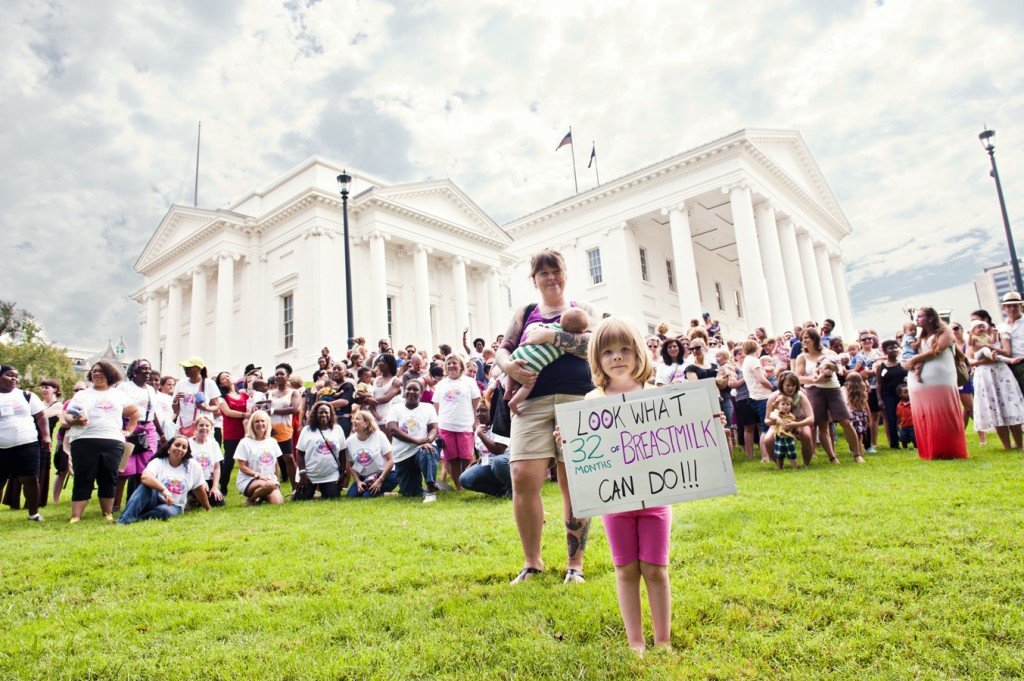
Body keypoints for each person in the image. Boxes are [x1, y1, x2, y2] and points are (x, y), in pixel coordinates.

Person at [497, 249, 598, 586]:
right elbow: (503, 348)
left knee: (575, 481)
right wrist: (509, 366)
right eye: (543, 273)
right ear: (534, 279)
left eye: (556, 271)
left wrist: (553, 336)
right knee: (522, 475)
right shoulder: (525, 312)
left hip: (577, 398)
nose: (551, 277)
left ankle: (575, 564)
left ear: (565, 273)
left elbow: (594, 347)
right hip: (531, 403)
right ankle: (532, 562)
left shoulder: (585, 310)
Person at [580, 316, 670, 652]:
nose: (616, 357)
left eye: (624, 349)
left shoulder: (658, 394)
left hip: (656, 498)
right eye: (607, 352)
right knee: (626, 569)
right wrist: (570, 439)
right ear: (598, 360)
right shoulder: (592, 402)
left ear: (638, 353)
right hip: (614, 501)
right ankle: (636, 642)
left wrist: (706, 417)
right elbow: (588, 448)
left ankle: (663, 640)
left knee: (656, 569)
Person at [62, 361, 141, 522]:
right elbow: (68, 416)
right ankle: (76, 516)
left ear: (110, 374)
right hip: (84, 440)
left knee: (108, 477)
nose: (96, 373)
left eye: (101, 371)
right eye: (94, 371)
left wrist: (129, 430)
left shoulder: (118, 395)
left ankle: (107, 514)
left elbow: (135, 411)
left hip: (112, 441)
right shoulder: (82, 395)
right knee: (83, 477)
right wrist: (76, 421)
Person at [903, 306, 968, 460]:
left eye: (920, 316)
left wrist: (913, 359)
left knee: (944, 412)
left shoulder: (946, 331)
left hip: (941, 378)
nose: (916, 319)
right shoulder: (920, 336)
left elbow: (938, 350)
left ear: (931, 318)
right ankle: (931, 450)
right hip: (920, 380)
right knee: (925, 413)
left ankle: (950, 449)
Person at [794, 329, 863, 464]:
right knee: (822, 424)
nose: (804, 341)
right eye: (802, 339)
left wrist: (832, 366)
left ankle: (857, 454)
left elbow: (841, 371)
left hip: (833, 389)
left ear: (815, 338)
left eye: (807, 337)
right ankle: (832, 457)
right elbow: (798, 377)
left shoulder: (829, 353)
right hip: (814, 391)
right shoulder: (801, 357)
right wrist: (814, 380)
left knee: (845, 422)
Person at [505, 307, 590, 414]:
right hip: (533, 366)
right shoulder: (563, 346)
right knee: (528, 384)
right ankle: (513, 402)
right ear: (580, 331)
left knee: (513, 367)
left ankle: (508, 391)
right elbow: (585, 347)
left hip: (519, 353)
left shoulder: (549, 326)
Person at [117, 435, 210, 523]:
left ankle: (137, 518)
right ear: (169, 448)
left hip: (174, 505)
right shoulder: (158, 462)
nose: (180, 449)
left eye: (184, 447)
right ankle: (124, 520)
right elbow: (145, 477)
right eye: (177, 445)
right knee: (145, 486)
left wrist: (208, 508)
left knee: (164, 511)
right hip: (153, 499)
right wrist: (164, 490)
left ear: (187, 451)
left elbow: (199, 489)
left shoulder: (193, 466)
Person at [0, 365, 50, 521]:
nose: (14, 378)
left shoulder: (26, 395)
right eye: (9, 375)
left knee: (30, 479)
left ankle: (33, 513)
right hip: (1, 447)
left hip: (27, 444)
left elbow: (41, 416)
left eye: (16, 375)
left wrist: (46, 436)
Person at [115, 359, 163, 511]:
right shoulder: (124, 387)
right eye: (143, 368)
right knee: (124, 470)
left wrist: (161, 435)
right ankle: (115, 504)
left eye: (149, 368)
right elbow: (117, 408)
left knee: (145, 469)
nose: (147, 371)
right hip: (128, 427)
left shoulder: (151, 390)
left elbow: (153, 414)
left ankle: (136, 502)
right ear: (134, 372)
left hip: (147, 430)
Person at [967, 319, 1024, 449]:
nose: (981, 328)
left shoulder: (994, 336)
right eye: (977, 327)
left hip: (1001, 372)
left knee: (1010, 405)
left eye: (982, 326)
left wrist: (991, 346)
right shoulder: (974, 340)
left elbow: (1006, 351)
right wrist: (985, 360)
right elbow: (969, 360)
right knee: (994, 408)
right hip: (986, 375)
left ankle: (1020, 444)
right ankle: (1007, 446)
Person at [431, 353, 481, 489]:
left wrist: (477, 422)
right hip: (446, 426)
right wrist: (435, 426)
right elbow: (436, 406)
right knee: (452, 458)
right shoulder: (441, 384)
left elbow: (477, 403)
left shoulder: (469, 382)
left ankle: (468, 484)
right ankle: (458, 487)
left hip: (465, 425)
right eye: (449, 363)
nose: (451, 366)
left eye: (454, 363)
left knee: (466, 457)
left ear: (461, 365)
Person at [387, 380, 439, 501]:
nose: (411, 391)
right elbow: (393, 429)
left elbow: (434, 428)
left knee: (427, 451)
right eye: (408, 389)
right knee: (411, 493)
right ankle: (435, 485)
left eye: (415, 389)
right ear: (404, 392)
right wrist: (416, 441)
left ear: (421, 393)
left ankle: (431, 490)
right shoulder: (395, 408)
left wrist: (428, 441)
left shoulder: (428, 407)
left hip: (422, 449)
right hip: (403, 455)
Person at [761, 371, 816, 466]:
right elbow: (766, 420)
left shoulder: (801, 396)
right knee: (767, 439)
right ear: (781, 385)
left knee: (806, 435)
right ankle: (778, 464)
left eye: (793, 385)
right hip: (779, 423)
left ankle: (806, 464)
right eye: (788, 385)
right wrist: (776, 420)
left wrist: (797, 424)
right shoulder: (774, 397)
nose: (791, 388)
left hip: (798, 421)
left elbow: (811, 418)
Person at [295, 402, 347, 500]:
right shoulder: (306, 430)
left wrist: (343, 471)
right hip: (309, 475)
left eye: (326, 412)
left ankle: (319, 492)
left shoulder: (338, 429)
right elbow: (300, 452)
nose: (324, 415)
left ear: (331, 414)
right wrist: (302, 474)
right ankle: (313, 492)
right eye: (320, 412)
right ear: (315, 414)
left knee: (331, 497)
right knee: (300, 499)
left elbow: (342, 452)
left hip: (330, 474)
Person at [459, 400, 512, 498]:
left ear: (492, 411)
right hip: (490, 465)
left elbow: (498, 450)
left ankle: (513, 491)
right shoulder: (480, 428)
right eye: (477, 411)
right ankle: (501, 492)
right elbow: (484, 453)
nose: (479, 414)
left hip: (507, 464)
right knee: (465, 479)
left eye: (484, 411)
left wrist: (481, 435)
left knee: (498, 461)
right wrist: (478, 460)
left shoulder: (501, 426)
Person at [234, 410, 285, 505]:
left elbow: (276, 464)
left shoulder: (272, 441)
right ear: (252, 425)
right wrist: (258, 475)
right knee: (269, 485)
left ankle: (261, 496)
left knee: (278, 502)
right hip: (249, 480)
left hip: (269, 480)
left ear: (267, 423)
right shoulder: (245, 442)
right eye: (257, 421)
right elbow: (242, 467)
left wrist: (276, 480)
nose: (260, 424)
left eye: (262, 421)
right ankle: (251, 499)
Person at [346, 410, 398, 498]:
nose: (354, 421)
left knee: (367, 496)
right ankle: (383, 492)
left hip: (386, 475)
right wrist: (358, 482)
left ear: (366, 423)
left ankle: (385, 491)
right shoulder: (349, 441)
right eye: (354, 419)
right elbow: (351, 466)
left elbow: (391, 460)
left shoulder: (379, 435)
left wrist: (380, 480)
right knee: (352, 496)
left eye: (358, 419)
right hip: (365, 477)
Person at [215, 371, 248, 496]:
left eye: (228, 376)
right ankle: (223, 486)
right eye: (223, 378)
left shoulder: (244, 395)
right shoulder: (222, 398)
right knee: (229, 461)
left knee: (248, 459)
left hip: (246, 431)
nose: (227, 379)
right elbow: (227, 412)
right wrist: (245, 415)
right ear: (220, 384)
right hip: (231, 432)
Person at [267, 363, 300, 486]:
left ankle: (296, 487)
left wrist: (273, 411)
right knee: (271, 459)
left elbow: (293, 409)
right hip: (270, 430)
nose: (279, 376)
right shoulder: (269, 393)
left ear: (288, 376)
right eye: (277, 374)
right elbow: (263, 410)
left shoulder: (293, 393)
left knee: (289, 458)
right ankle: (273, 486)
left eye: (282, 374)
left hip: (285, 429)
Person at [740, 339, 773, 462]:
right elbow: (761, 380)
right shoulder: (753, 361)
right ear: (757, 348)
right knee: (766, 428)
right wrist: (773, 388)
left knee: (764, 427)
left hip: (755, 396)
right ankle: (765, 456)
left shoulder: (746, 361)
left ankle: (767, 455)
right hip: (762, 396)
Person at [173, 357, 221, 439]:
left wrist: (205, 408)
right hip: (183, 426)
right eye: (185, 367)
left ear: (198, 368)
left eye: (189, 368)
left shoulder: (209, 383)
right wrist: (175, 401)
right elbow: (176, 410)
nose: (186, 369)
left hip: (203, 427)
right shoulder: (180, 383)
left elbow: (216, 406)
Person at [875, 340, 908, 449]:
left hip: (903, 395)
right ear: (885, 351)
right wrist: (879, 399)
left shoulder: (903, 364)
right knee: (891, 419)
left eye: (895, 347)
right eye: (890, 348)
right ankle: (894, 444)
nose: (894, 349)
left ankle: (909, 439)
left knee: (906, 418)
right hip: (888, 396)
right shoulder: (881, 366)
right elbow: (879, 384)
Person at [188, 415, 224, 507]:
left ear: (211, 428)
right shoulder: (188, 443)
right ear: (196, 426)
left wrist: (215, 487)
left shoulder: (214, 444)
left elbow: (217, 467)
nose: (204, 428)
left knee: (219, 502)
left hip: (208, 479)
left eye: (207, 426)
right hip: (193, 481)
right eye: (201, 425)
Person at [367, 353, 402, 429]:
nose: (379, 363)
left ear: (390, 364)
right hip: (372, 418)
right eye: (379, 361)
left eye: (383, 361)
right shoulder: (375, 380)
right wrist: (367, 399)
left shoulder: (395, 381)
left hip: (386, 418)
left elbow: (386, 399)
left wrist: (367, 400)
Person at [766, 395, 799, 469]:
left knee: (792, 454)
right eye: (783, 404)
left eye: (788, 404)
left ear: (790, 406)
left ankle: (795, 467)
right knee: (779, 454)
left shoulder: (792, 416)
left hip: (789, 438)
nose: (785, 406)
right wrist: (777, 418)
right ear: (777, 406)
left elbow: (794, 426)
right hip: (779, 437)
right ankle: (779, 467)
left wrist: (795, 430)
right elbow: (771, 415)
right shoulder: (777, 413)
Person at [843, 373, 870, 459]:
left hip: (852, 415)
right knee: (860, 435)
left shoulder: (846, 391)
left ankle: (856, 451)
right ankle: (860, 451)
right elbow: (866, 405)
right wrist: (869, 417)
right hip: (861, 414)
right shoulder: (862, 390)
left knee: (853, 434)